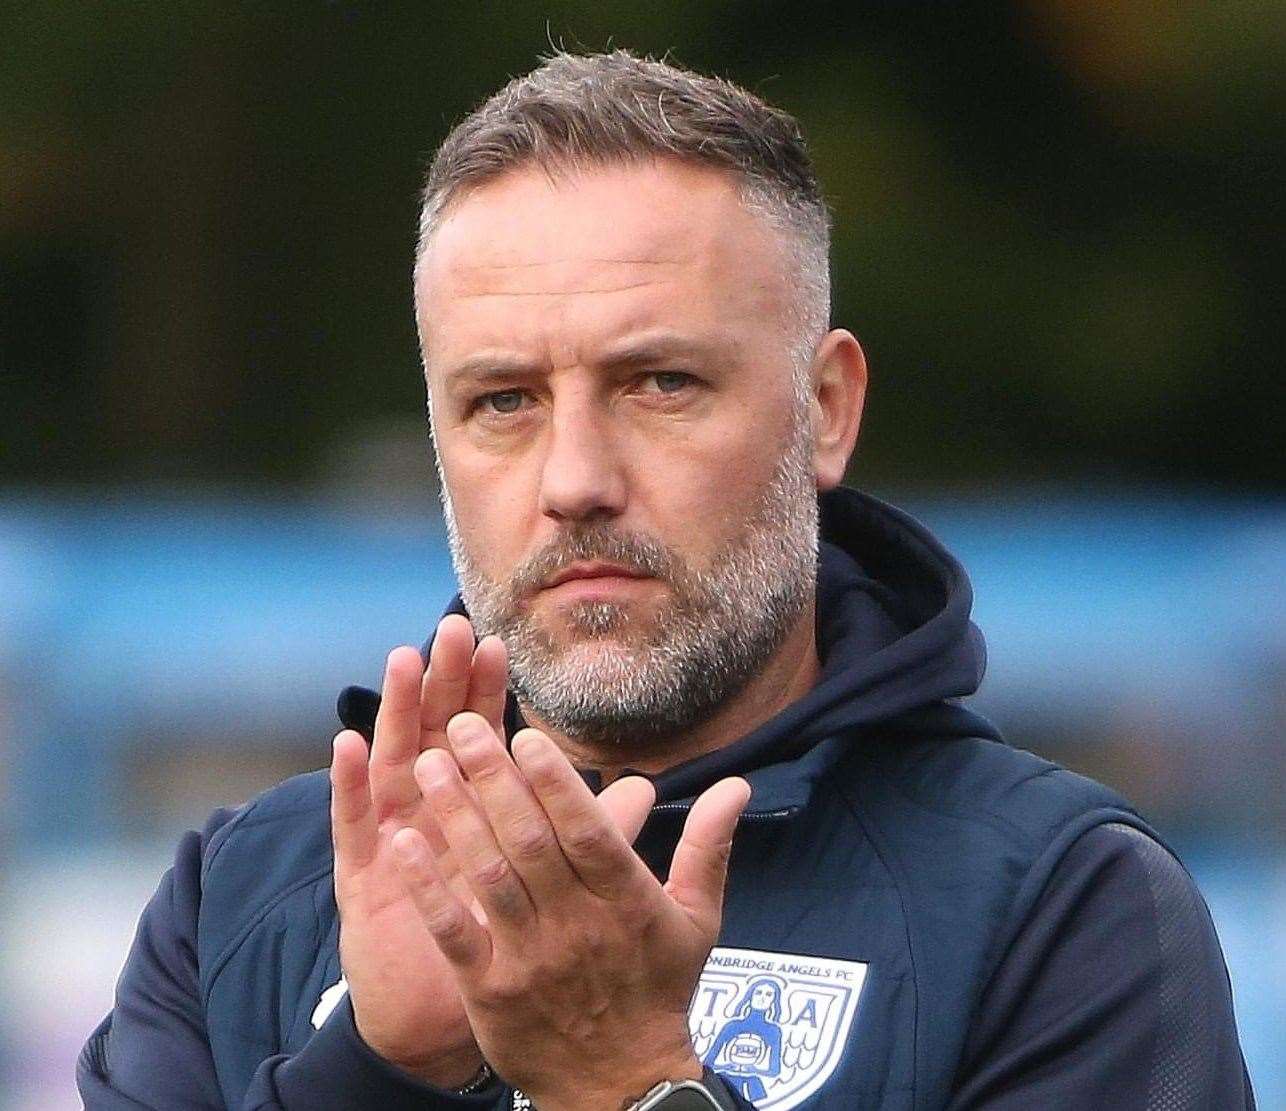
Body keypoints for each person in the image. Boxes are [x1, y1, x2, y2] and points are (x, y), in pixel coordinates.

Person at [78, 50, 1255, 1111]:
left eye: (659, 384)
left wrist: (626, 1085)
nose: (574, 479)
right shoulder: (247, 896)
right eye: (502, 402)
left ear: (825, 409)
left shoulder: (1060, 911)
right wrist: (379, 1076)